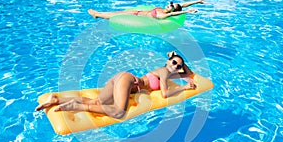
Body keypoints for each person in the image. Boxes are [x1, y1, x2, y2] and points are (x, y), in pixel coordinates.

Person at [35, 52, 196, 119]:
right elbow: (165, 94)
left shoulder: (167, 72)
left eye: (178, 66)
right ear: (168, 61)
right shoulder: (164, 72)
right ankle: (76, 107)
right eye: (174, 62)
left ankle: (57, 99)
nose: (175, 66)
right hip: (127, 81)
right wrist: (185, 88)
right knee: (119, 112)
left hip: (123, 77)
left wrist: (178, 59)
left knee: (96, 102)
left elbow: (188, 73)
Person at [88, 0, 204, 19]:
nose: (168, 5)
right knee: (116, 12)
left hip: (136, 17)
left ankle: (97, 15)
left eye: (170, 6)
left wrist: (187, 12)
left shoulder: (163, 15)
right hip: (136, 12)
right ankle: (98, 13)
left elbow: (175, 13)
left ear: (172, 11)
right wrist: (197, 1)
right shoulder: (164, 10)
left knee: (115, 16)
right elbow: (182, 5)